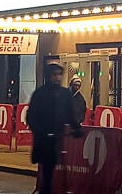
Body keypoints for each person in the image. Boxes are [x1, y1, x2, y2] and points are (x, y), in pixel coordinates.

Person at [28, 64, 82, 194]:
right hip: (44, 138)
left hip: (56, 138)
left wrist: (76, 128)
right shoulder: (40, 93)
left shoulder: (64, 93)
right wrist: (39, 132)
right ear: (48, 76)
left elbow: (70, 113)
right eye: (54, 74)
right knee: (47, 170)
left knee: (50, 169)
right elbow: (31, 116)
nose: (57, 77)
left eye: (59, 74)